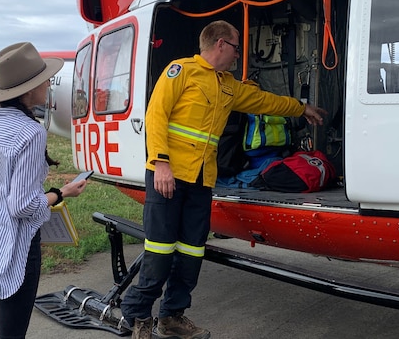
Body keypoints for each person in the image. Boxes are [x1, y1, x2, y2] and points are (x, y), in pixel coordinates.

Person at [121, 21, 326, 339]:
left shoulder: (228, 85)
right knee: (161, 251)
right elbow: (156, 115)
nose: (237, 54)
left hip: (202, 180)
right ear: (220, 44)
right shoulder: (182, 71)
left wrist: (301, 109)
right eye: (235, 47)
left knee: (191, 252)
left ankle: (172, 317)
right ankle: (136, 315)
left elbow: (266, 102)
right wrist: (160, 163)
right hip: (169, 176)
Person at [0, 42, 88, 338]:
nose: (48, 84)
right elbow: (21, 206)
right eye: (43, 80)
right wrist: (61, 193)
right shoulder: (30, 133)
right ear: (27, 90)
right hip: (14, 244)